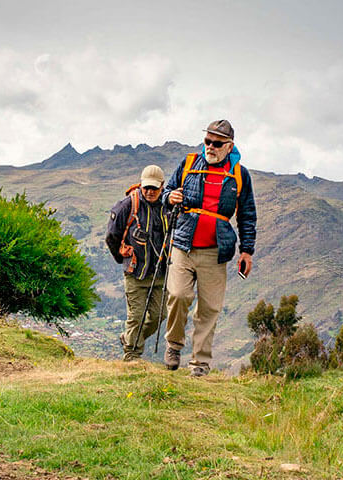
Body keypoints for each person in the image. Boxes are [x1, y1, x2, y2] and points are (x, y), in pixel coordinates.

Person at [162, 119, 257, 376]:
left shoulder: (240, 174)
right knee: (178, 296)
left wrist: (246, 251)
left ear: (229, 147)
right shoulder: (189, 163)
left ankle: (200, 364)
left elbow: (247, 214)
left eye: (217, 143)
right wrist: (169, 197)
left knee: (209, 308)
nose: (210, 147)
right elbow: (167, 191)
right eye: (207, 141)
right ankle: (173, 344)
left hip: (216, 252)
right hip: (183, 245)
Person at [106, 165, 169, 361]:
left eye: (154, 188)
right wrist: (122, 259)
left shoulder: (169, 206)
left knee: (160, 315)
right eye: (146, 187)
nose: (150, 192)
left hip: (160, 274)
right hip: (135, 273)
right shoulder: (127, 205)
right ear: (141, 185)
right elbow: (111, 236)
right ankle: (132, 356)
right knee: (137, 316)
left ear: (162, 187)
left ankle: (129, 338)